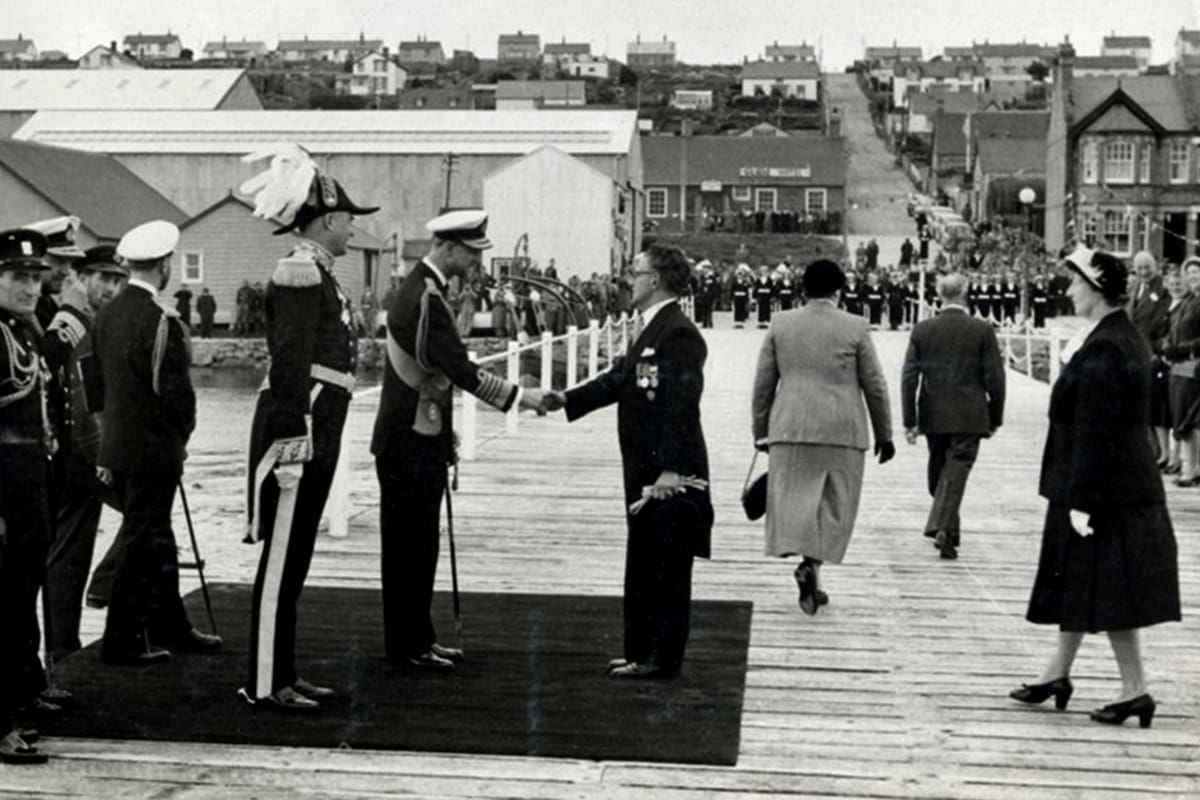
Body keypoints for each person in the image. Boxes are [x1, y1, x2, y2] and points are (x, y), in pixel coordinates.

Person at [372, 209, 551, 672]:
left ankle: (417, 639)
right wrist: (521, 397)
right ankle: (407, 646)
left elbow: (430, 375)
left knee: (419, 544)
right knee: (409, 546)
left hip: (418, 433)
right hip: (408, 440)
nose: (474, 263)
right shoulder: (427, 298)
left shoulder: (420, 290)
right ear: (448, 248)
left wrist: (442, 430)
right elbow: (461, 370)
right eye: (471, 253)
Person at [1011, 246, 1180, 728]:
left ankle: (1135, 690)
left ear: (1097, 287)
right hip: (1112, 484)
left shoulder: (1108, 345)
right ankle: (1057, 674)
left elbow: (1096, 429)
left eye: (1075, 283)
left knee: (1111, 589)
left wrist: (1082, 500)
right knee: (1084, 582)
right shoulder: (1114, 336)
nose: (1068, 290)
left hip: (1105, 491)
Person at [239, 152, 377, 710]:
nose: (352, 226)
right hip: (301, 432)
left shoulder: (320, 272)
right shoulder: (299, 270)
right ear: (324, 221)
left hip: (321, 425)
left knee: (294, 560)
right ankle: (266, 682)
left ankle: (283, 671)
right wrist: (292, 445)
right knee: (281, 561)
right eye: (347, 218)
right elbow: (290, 363)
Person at [553, 243, 712, 678]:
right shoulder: (650, 328)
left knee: (667, 566)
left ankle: (661, 660)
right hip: (643, 467)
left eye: (635, 272)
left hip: (667, 472)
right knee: (644, 557)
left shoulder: (679, 333)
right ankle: (640, 652)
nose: (629, 279)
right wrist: (563, 399)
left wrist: (672, 469)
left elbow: (683, 405)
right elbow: (618, 380)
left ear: (655, 280)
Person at [91, 220, 222, 665]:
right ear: (164, 266)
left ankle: (170, 625)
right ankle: (121, 641)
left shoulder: (107, 312)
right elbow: (175, 396)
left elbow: (96, 384)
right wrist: (180, 439)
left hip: (119, 447)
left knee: (157, 538)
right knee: (141, 542)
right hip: (153, 450)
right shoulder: (158, 320)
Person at [752, 260, 894, 614]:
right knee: (834, 505)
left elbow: (764, 383)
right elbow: (874, 384)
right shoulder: (856, 326)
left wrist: (760, 430)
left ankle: (809, 567)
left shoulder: (780, 323)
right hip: (841, 430)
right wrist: (884, 433)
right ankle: (813, 566)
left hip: (790, 427)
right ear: (839, 290)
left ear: (802, 289)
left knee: (797, 501)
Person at [42, 245, 127, 664]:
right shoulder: (71, 323)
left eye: (116, 279)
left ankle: (62, 647)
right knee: (146, 513)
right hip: (79, 452)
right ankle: (104, 589)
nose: (110, 287)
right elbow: (72, 392)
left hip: (82, 449)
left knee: (69, 548)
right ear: (80, 278)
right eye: (102, 278)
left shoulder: (94, 321)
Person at [901, 273, 1006, 560]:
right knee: (951, 473)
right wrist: (995, 416)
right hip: (970, 415)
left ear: (939, 294)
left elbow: (909, 378)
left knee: (942, 472)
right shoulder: (981, 330)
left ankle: (946, 529)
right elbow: (995, 378)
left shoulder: (922, 330)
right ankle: (946, 528)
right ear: (965, 292)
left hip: (933, 414)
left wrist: (910, 420)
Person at [0, 229, 56, 764]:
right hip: (4, 487)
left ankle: (13, 705)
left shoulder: (22, 331)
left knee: (16, 604)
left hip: (25, 482)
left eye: (36, 277)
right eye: (19, 277)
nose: (31, 287)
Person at [1127, 252, 1172, 464]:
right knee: (1138, 405)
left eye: (1148, 267)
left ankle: (1159, 453)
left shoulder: (1162, 290)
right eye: (1140, 268)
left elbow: (1160, 324)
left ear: (1156, 266)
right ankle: (1148, 451)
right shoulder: (1135, 287)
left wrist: (1154, 352)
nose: (1144, 272)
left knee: (1153, 406)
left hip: (1151, 355)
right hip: (1133, 353)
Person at [1162, 257, 1200, 486]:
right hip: (1181, 366)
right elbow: (1173, 328)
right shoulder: (1187, 301)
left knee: (1192, 420)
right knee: (1182, 415)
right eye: (1190, 274)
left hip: (1194, 364)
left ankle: (1192, 469)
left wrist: (1182, 350)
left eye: (1197, 273)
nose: (1193, 278)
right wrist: (1168, 347)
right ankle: (1189, 467)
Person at [23, 216, 84, 331]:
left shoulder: (49, 305)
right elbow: (52, 348)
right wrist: (70, 312)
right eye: (59, 261)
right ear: (35, 259)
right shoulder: (23, 307)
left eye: (69, 262)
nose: (66, 272)